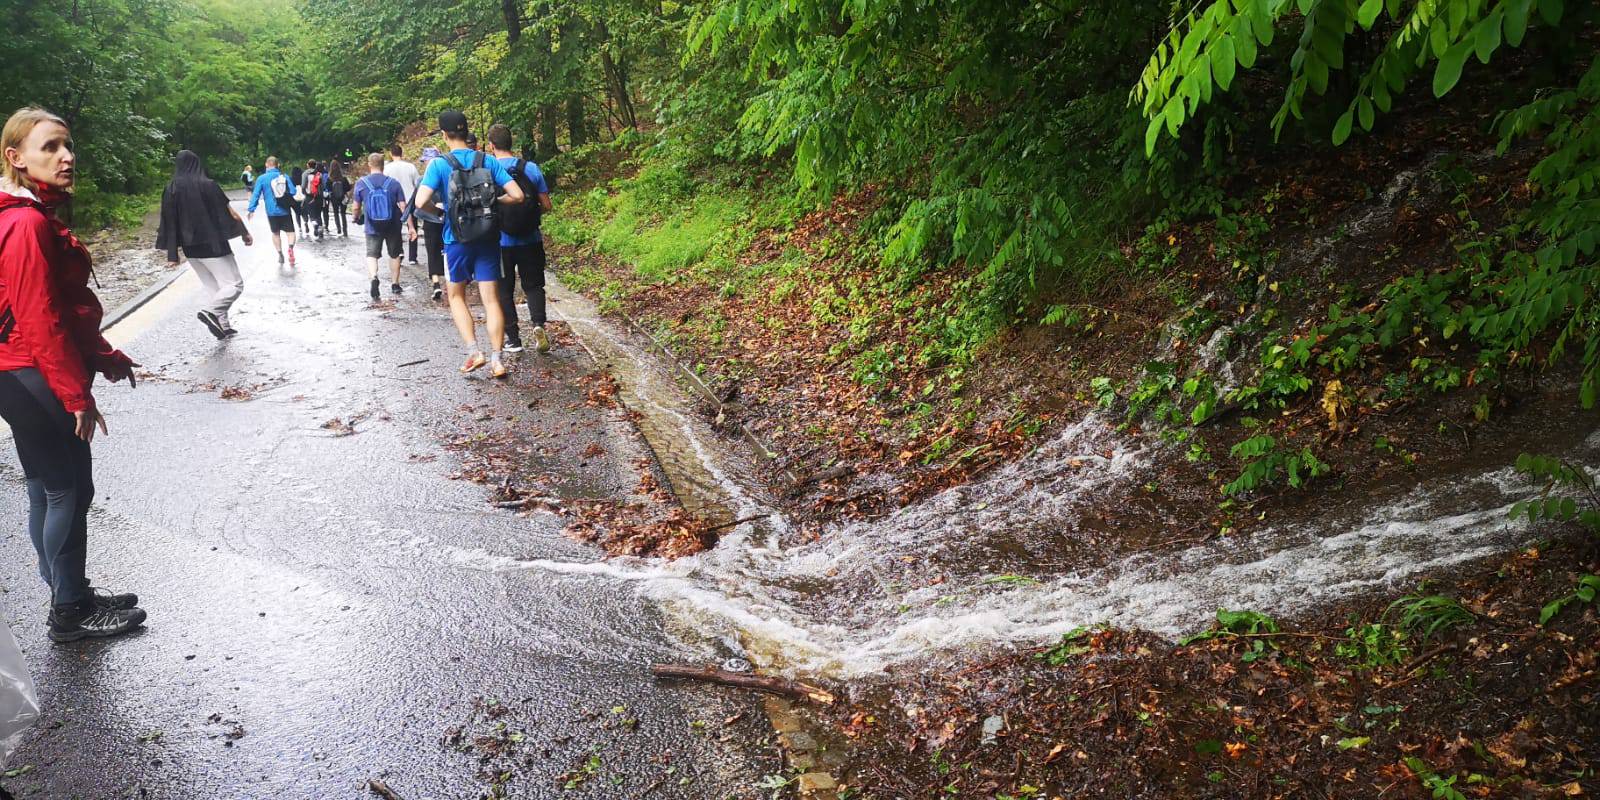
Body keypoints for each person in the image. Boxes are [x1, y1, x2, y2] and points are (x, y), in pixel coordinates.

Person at [0, 106, 144, 641]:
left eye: (67, 145)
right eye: (50, 148)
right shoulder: (26, 222)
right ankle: (70, 610)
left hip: (17, 373)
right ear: (16, 159)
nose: (66, 157)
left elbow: (57, 308)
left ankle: (69, 591)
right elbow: (39, 319)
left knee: (46, 488)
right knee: (70, 491)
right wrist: (75, 395)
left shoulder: (25, 213)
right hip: (31, 374)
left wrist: (103, 356)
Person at [413, 110, 526, 378]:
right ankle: (498, 360)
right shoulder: (487, 160)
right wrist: (494, 203)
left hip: (456, 241)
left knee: (456, 296)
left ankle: (475, 352)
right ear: (467, 132)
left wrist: (442, 213)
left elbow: (419, 203)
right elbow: (518, 195)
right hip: (488, 238)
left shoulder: (439, 165)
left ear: (444, 134)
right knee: (491, 299)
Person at [155, 150, 253, 339]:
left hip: (190, 249)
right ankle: (211, 312)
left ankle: (223, 326)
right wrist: (244, 233)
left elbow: (169, 221)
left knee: (213, 287)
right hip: (213, 245)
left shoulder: (171, 189)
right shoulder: (208, 185)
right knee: (234, 284)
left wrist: (173, 254)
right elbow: (230, 213)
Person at [486, 124, 553, 354]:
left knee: (504, 290)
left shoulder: (488, 169)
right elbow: (546, 205)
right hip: (530, 239)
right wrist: (531, 216)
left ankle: (513, 339)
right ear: (511, 142)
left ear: (491, 145)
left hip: (500, 242)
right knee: (534, 285)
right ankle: (538, 325)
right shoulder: (531, 168)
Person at [351, 153, 406, 301]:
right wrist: (410, 224)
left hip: (372, 225)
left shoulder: (362, 183)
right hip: (393, 224)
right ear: (383, 165)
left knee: (372, 254)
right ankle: (395, 284)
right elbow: (403, 206)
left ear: (369, 164)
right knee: (394, 254)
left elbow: (356, 207)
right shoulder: (393, 183)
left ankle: (374, 277)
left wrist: (355, 218)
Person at [246, 155, 298, 266]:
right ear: (277, 165)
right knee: (290, 232)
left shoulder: (261, 178)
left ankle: (280, 254)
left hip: (271, 212)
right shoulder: (283, 176)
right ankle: (290, 248)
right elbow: (293, 191)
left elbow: (256, 195)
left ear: (266, 165)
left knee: (275, 233)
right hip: (284, 210)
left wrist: (251, 209)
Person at [415, 147, 446, 300]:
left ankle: (436, 284)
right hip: (447, 219)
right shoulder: (447, 175)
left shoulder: (421, 180)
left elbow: (418, 203)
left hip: (430, 219)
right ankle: (451, 280)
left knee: (432, 252)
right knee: (447, 250)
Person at [383, 145, 420, 266]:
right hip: (410, 201)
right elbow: (417, 183)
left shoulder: (387, 168)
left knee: (396, 229)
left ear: (391, 154)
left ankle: (399, 251)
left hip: (394, 202)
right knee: (412, 227)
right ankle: (412, 257)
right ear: (402, 153)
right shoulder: (411, 167)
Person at [300, 159, 325, 239]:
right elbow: (323, 186)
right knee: (318, 214)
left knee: (312, 214)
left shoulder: (305, 174)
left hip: (309, 197)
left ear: (308, 165)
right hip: (319, 197)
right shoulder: (319, 174)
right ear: (315, 165)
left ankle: (315, 226)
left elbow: (303, 186)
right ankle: (320, 229)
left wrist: (304, 193)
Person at [325, 160, 350, 237]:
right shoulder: (343, 179)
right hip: (343, 198)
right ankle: (345, 230)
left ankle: (338, 229)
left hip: (334, 198)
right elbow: (348, 188)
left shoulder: (329, 179)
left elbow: (328, 189)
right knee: (343, 214)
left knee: (336, 213)